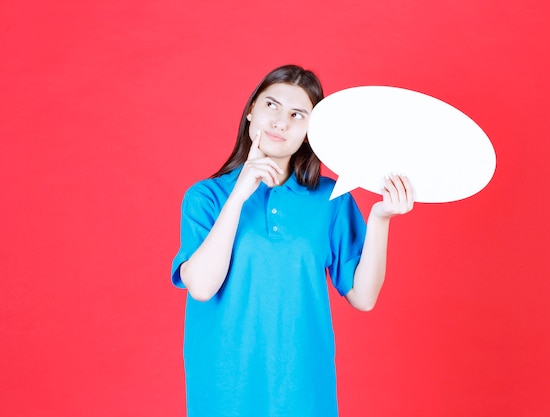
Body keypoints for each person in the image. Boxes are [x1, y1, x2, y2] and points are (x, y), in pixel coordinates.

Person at [171, 64, 414, 417]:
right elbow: (202, 287)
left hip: (303, 391)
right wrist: (238, 195)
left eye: (297, 114)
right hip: (225, 389)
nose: (281, 122)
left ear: (310, 132)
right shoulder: (206, 197)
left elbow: (363, 297)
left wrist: (380, 219)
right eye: (271, 105)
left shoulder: (332, 199)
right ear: (251, 109)